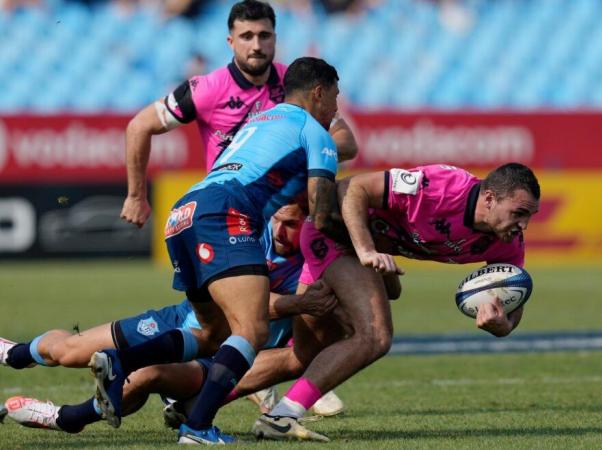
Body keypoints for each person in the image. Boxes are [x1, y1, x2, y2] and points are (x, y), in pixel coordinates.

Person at [88, 56, 345, 444]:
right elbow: (321, 214)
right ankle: (198, 426)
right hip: (227, 209)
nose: (337, 109)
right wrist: (367, 238)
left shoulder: (262, 118)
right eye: (336, 98)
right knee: (253, 328)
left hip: (185, 209)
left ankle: (120, 360)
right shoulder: (316, 133)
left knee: (211, 333)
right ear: (319, 92)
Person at [239, 162, 541, 442]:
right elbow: (352, 188)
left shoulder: (508, 241)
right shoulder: (441, 187)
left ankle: (199, 394)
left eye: (529, 216)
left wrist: (502, 326)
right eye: (518, 213)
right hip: (333, 232)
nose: (524, 225)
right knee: (375, 335)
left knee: (302, 356)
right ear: (489, 198)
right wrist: (366, 250)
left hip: (354, 247)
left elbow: (514, 308)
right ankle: (281, 416)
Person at [0, 204, 337, 433]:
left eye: (291, 224)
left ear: (308, 225)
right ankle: (14, 354)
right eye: (277, 219)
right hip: (183, 321)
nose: (279, 229)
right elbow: (238, 298)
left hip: (215, 359)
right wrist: (300, 303)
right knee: (70, 351)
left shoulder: (315, 263)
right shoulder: (248, 235)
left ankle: (65, 417)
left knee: (147, 375)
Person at [120, 0, 357, 229]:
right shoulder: (206, 89)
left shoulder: (297, 86)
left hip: (290, 219)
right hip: (233, 215)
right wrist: (135, 196)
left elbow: (346, 141)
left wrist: (292, 161)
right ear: (230, 42)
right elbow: (139, 126)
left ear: (275, 39)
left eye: (264, 36)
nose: (256, 45)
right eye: (246, 36)